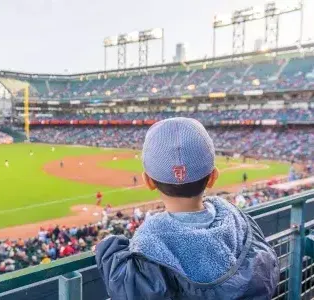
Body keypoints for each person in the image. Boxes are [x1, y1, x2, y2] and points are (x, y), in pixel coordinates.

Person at [95, 118, 278, 299]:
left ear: (148, 181)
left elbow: (129, 289)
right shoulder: (238, 220)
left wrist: (107, 246)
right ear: (213, 177)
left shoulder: (149, 238)